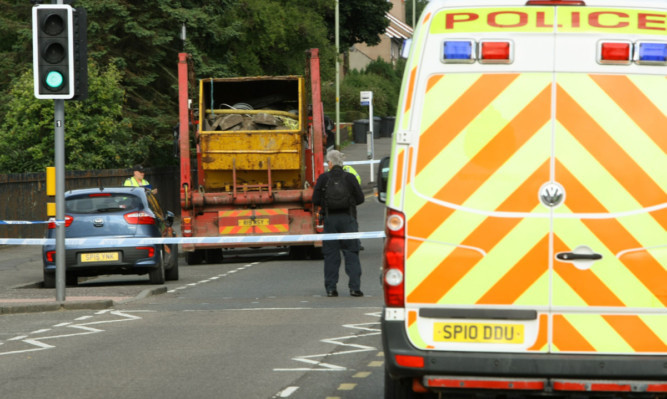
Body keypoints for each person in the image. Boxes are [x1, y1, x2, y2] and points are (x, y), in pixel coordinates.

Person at [312, 150, 365, 297]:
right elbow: (360, 198)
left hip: (330, 220)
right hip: (348, 219)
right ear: (341, 163)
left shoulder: (323, 178)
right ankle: (354, 288)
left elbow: (315, 200)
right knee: (352, 253)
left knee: (331, 256)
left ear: (330, 163)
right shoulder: (350, 178)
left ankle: (331, 289)